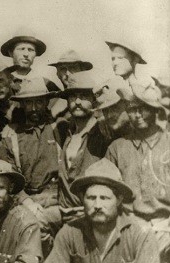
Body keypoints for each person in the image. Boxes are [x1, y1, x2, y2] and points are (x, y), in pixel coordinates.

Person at [45, 159, 160, 263]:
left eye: (104, 198)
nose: (97, 205)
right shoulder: (70, 233)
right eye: (91, 198)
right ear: (82, 199)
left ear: (119, 199)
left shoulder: (140, 234)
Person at [3, 77, 66, 254]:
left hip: (57, 197)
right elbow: (10, 178)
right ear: (22, 105)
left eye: (39, 102)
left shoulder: (60, 128)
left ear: (46, 101)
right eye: (28, 103)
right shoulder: (12, 136)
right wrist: (27, 202)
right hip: (26, 200)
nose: (34, 108)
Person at [105, 87, 170, 222]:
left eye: (143, 108)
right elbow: (107, 193)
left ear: (155, 109)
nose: (138, 115)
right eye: (132, 110)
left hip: (167, 223)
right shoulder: (117, 148)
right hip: (129, 224)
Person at [55, 73, 113, 223]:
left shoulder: (102, 133)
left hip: (89, 212)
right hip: (63, 210)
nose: (78, 102)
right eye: (73, 97)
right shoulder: (66, 133)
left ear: (94, 100)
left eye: (84, 96)